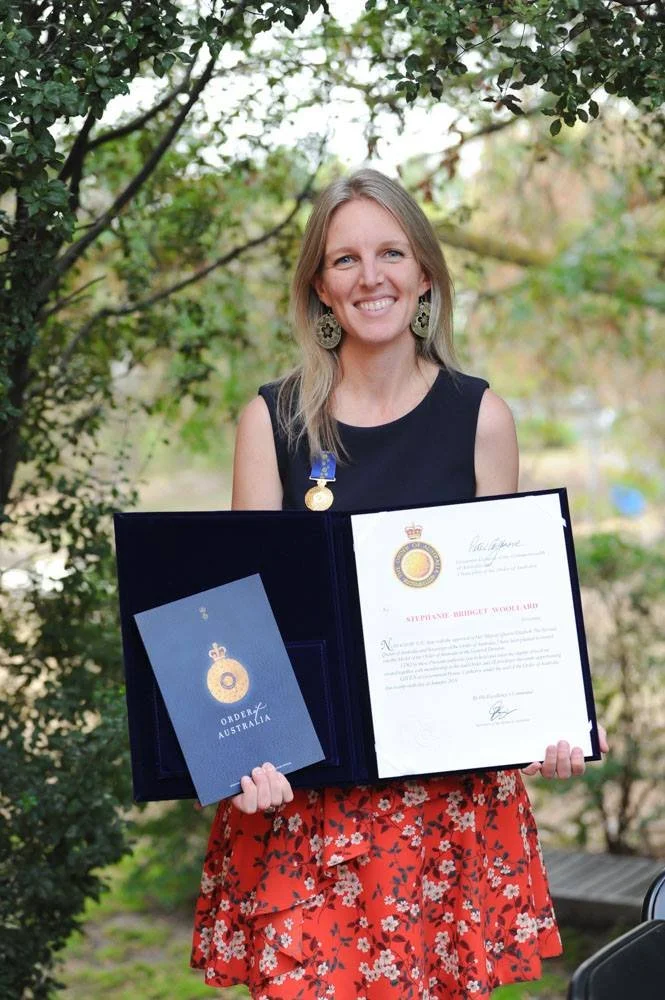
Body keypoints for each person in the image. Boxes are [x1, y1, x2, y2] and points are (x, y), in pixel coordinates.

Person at [191, 169, 607, 999]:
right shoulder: (269, 419)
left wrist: (544, 717)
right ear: (319, 285)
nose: (369, 276)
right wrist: (242, 755)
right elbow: (235, 621)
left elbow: (507, 605)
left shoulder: (479, 416)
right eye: (344, 259)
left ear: (424, 273)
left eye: (390, 253)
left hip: (446, 803)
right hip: (310, 803)